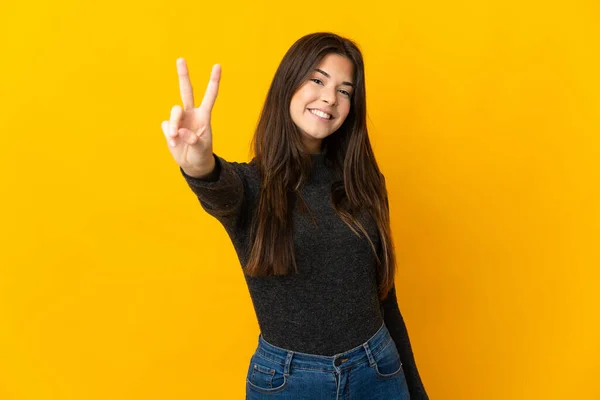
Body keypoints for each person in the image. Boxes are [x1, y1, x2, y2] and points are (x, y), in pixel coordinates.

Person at [161, 32, 428, 399]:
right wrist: (199, 165)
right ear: (288, 83)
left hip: (377, 370)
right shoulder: (251, 186)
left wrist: (415, 391)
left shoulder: (366, 182)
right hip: (289, 383)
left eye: (345, 90)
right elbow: (219, 189)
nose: (329, 98)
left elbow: (385, 298)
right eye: (317, 80)